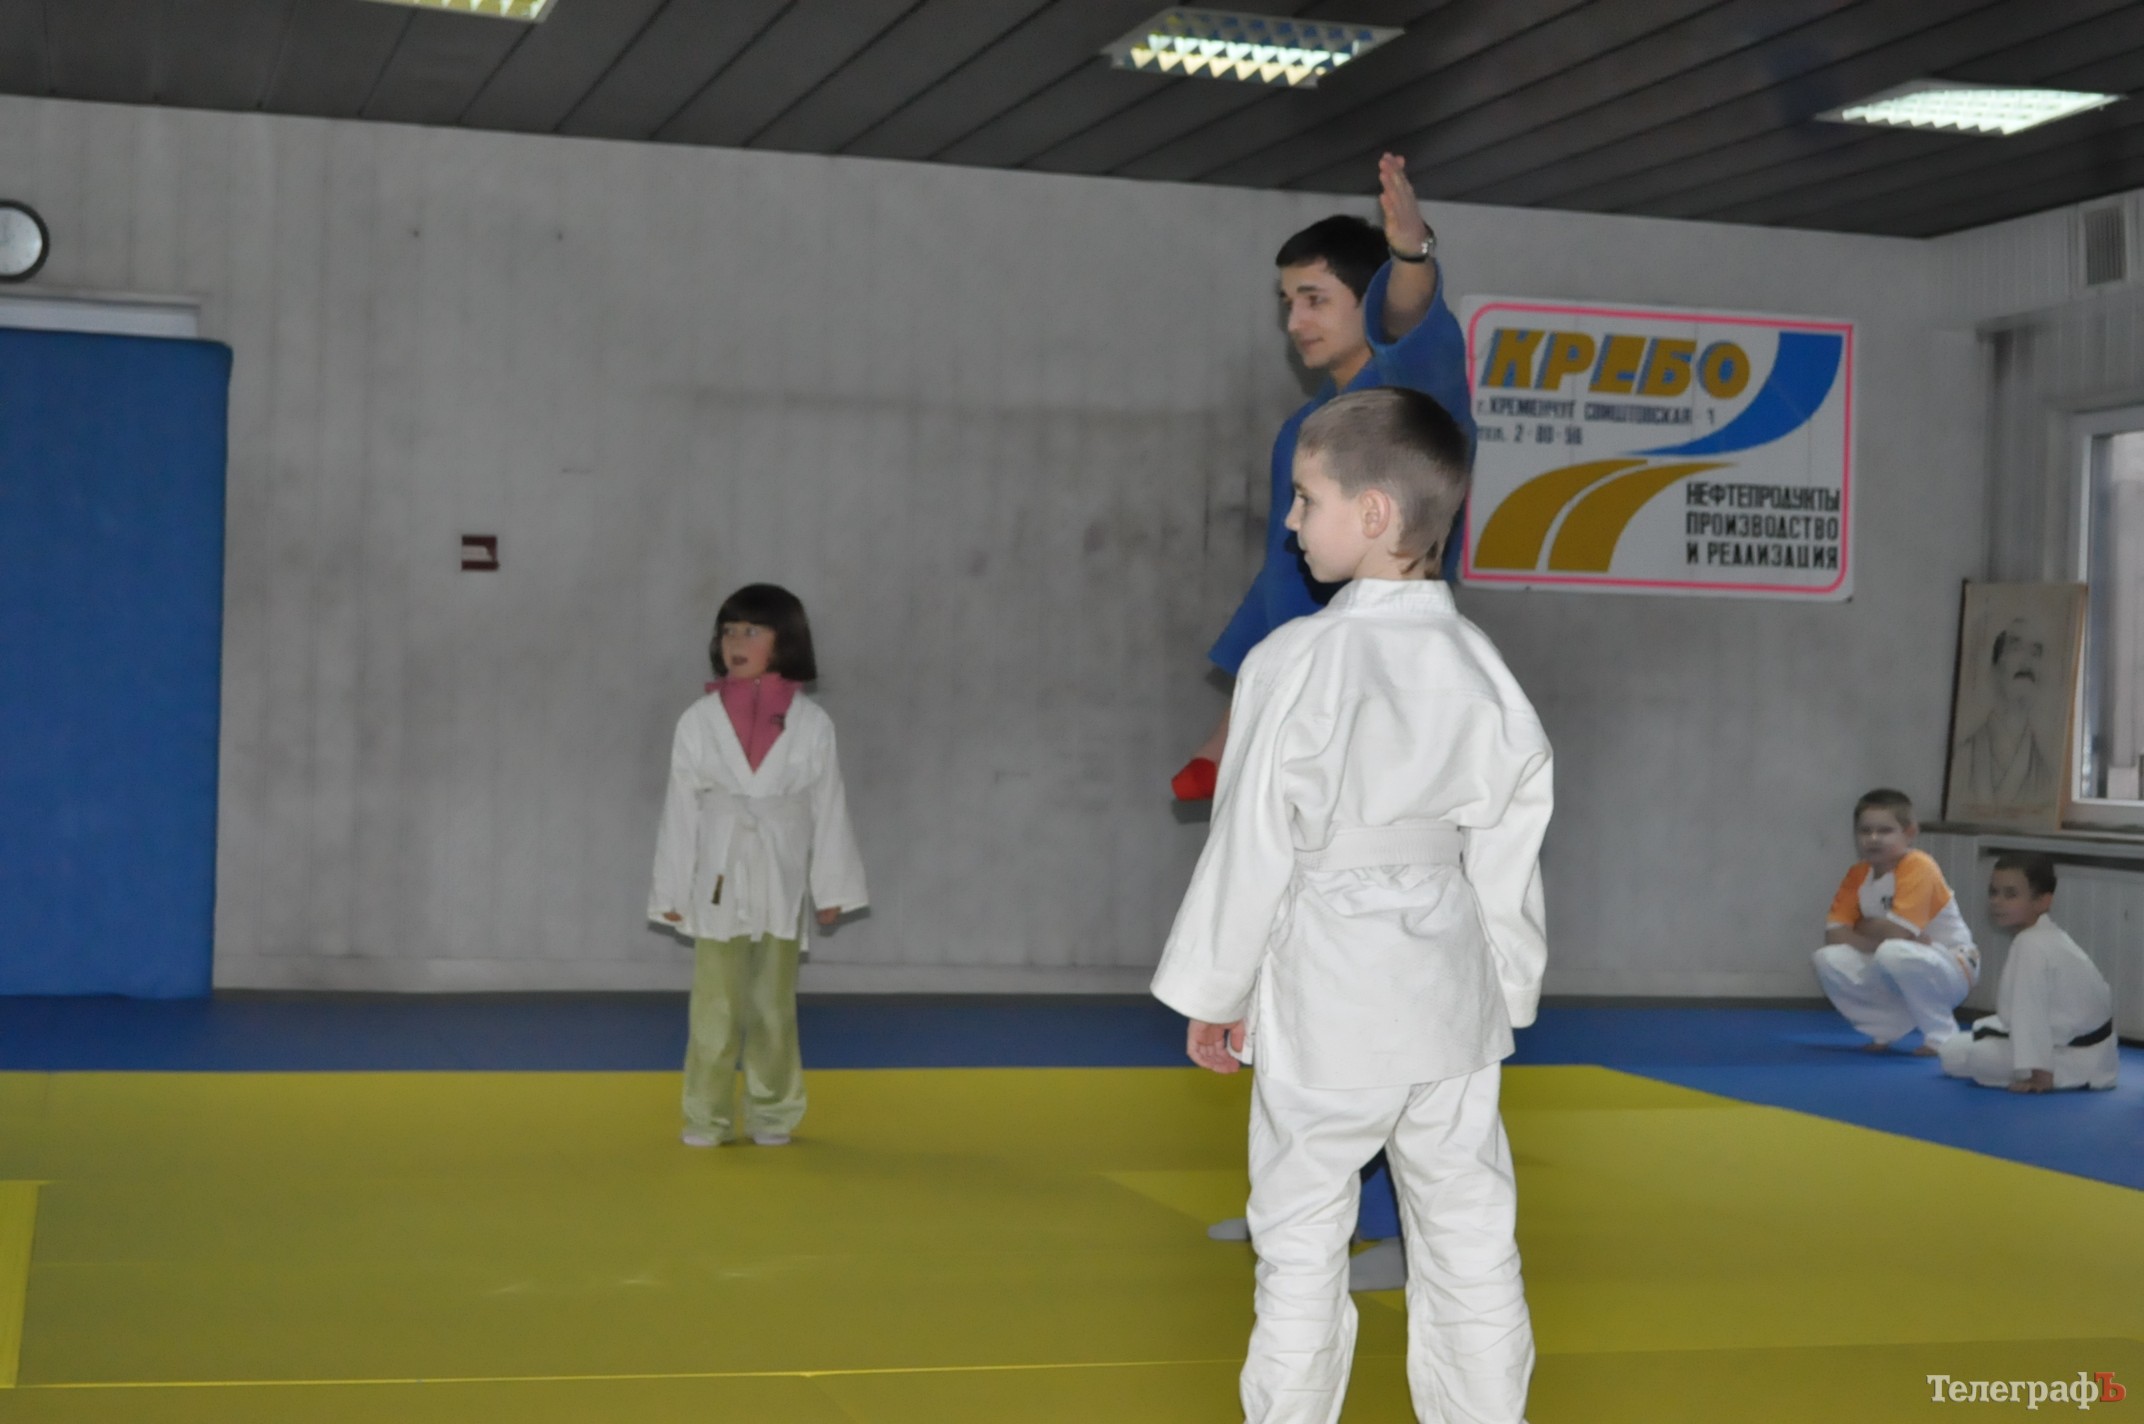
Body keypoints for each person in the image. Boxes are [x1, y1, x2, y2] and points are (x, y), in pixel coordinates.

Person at [1155, 387, 1550, 1424]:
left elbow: (1251, 842)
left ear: (1372, 514)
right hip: (1451, 986)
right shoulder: (1483, 668)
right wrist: (1508, 987)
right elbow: (1509, 848)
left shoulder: (1294, 660)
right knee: (1469, 1231)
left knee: (1299, 1236)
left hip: (1329, 983)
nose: (1290, 520)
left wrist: (1217, 990)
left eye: (1305, 497)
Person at [1177, 151, 1476, 1293]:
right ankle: (1299, 1199)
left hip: (1386, 726)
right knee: (1284, 963)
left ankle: (1400, 1226)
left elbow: (1420, 330)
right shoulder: (1301, 436)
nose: (1295, 319)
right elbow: (1279, 591)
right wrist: (1235, 726)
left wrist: (1408, 254)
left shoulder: (1411, 413)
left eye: (1314, 296)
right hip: (1305, 712)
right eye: (1285, 300)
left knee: (1374, 983)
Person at [648, 584, 867, 1147]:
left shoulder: (812, 723)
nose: (735, 642)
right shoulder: (698, 720)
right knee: (714, 1007)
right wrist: (671, 890)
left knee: (773, 1006)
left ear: (785, 641)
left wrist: (832, 888)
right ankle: (707, 1114)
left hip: (780, 876)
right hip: (717, 877)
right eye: (728, 631)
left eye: (751, 631)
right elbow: (680, 810)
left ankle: (773, 1111)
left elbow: (828, 806)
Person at [1811, 789, 1978, 1054]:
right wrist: (1885, 933)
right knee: (1827, 959)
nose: (1873, 839)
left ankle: (1942, 1036)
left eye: (1885, 831)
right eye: (1865, 831)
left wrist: (1863, 926)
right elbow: (1834, 935)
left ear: (1910, 833)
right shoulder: (1858, 874)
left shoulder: (1919, 866)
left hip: (1953, 964)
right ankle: (1887, 1026)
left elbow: (1898, 932)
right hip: (1899, 957)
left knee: (1894, 951)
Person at [1939, 853, 2118, 1091]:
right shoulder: (2041, 937)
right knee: (1951, 1052)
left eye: (2010, 894)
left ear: (2042, 901)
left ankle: (2043, 1070)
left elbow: (2031, 1011)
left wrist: (2039, 1075)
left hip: (2074, 1057)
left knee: (1976, 1057)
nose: (1997, 901)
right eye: (1994, 892)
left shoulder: (2032, 945)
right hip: (2085, 1051)